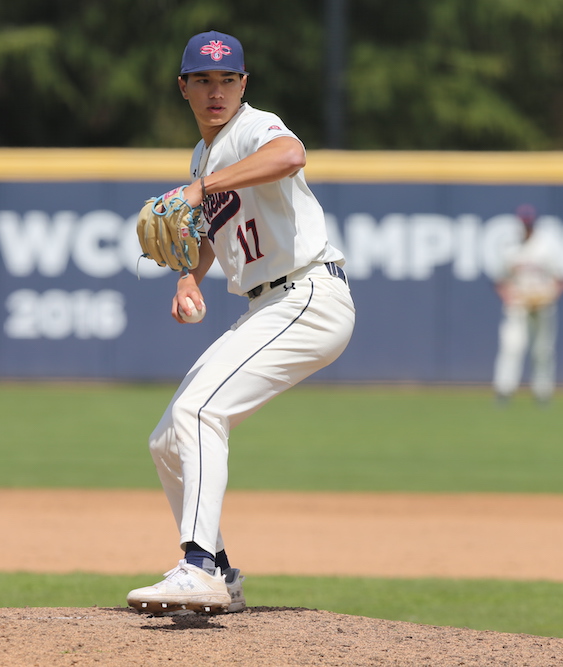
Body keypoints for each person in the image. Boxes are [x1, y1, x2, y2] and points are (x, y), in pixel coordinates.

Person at [126, 31, 356, 615]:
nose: (216, 91)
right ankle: (222, 574)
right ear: (184, 87)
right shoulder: (204, 156)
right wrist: (188, 277)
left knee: (199, 410)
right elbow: (209, 233)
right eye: (202, 80)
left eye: (227, 79)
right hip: (269, 304)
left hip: (308, 294)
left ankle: (197, 566)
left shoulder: (255, 128)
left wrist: (203, 186)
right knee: (166, 441)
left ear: (244, 84)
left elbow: (292, 155)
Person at [492, 204, 563, 406]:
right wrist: (509, 297)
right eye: (523, 223)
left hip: (543, 304)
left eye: (529, 223)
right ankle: (504, 391)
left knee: (543, 350)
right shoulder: (510, 246)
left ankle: (542, 393)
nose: (526, 226)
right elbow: (500, 280)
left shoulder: (547, 245)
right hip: (517, 304)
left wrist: (549, 296)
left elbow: (561, 278)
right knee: (511, 347)